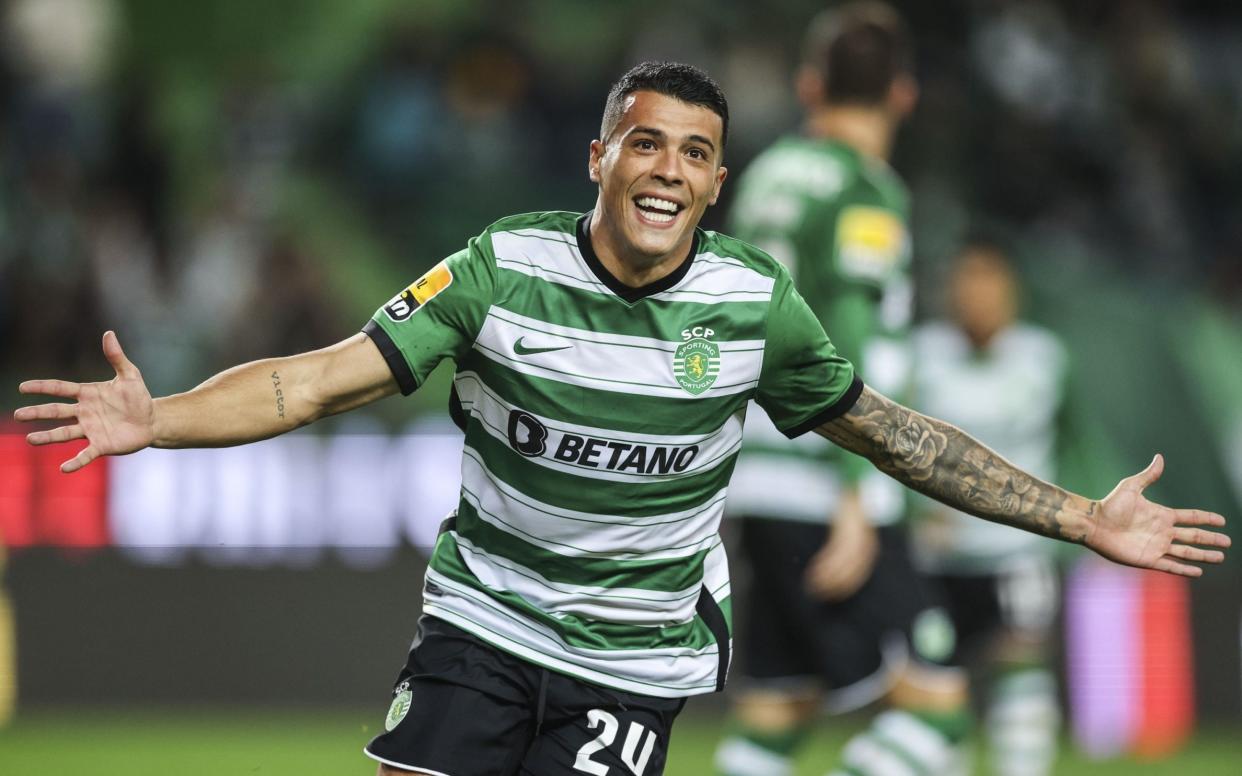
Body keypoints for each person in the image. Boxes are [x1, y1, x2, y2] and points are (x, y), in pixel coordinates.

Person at [13, 61, 1228, 776]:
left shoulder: (754, 302)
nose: (667, 169)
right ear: (599, 156)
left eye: (695, 153)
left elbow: (886, 429)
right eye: (645, 142)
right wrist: (157, 417)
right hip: (484, 623)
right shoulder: (500, 270)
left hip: (632, 662)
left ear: (716, 182)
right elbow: (319, 377)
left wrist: (1078, 514)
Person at [717, 5, 971, 775]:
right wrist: (862, 496)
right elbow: (850, 339)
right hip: (830, 484)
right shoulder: (863, 191)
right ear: (903, 94)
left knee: (776, 714)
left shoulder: (768, 178)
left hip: (758, 473)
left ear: (808, 86)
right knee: (939, 719)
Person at [909, 243, 1068, 776]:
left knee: (1022, 673)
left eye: (989, 284)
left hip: (1016, 552)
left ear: (1011, 295)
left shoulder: (1045, 358)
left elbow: (1080, 444)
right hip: (939, 558)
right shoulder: (921, 355)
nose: (976, 297)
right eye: (966, 284)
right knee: (938, 688)